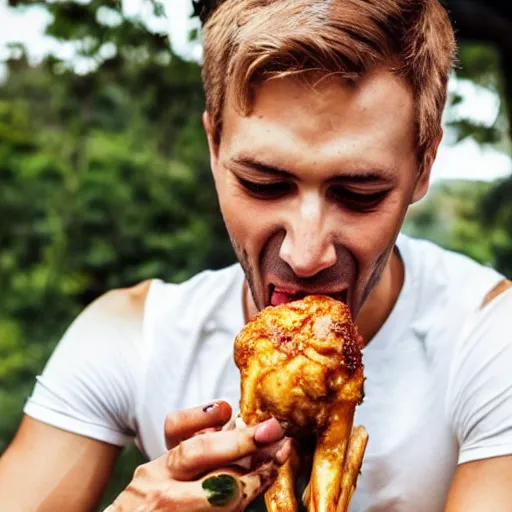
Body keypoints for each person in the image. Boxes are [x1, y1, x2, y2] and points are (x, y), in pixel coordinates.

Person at [1, 0, 512, 510]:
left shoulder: (490, 340)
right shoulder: (131, 335)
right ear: (215, 150)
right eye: (264, 184)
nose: (307, 254)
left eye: (359, 194)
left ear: (423, 168)